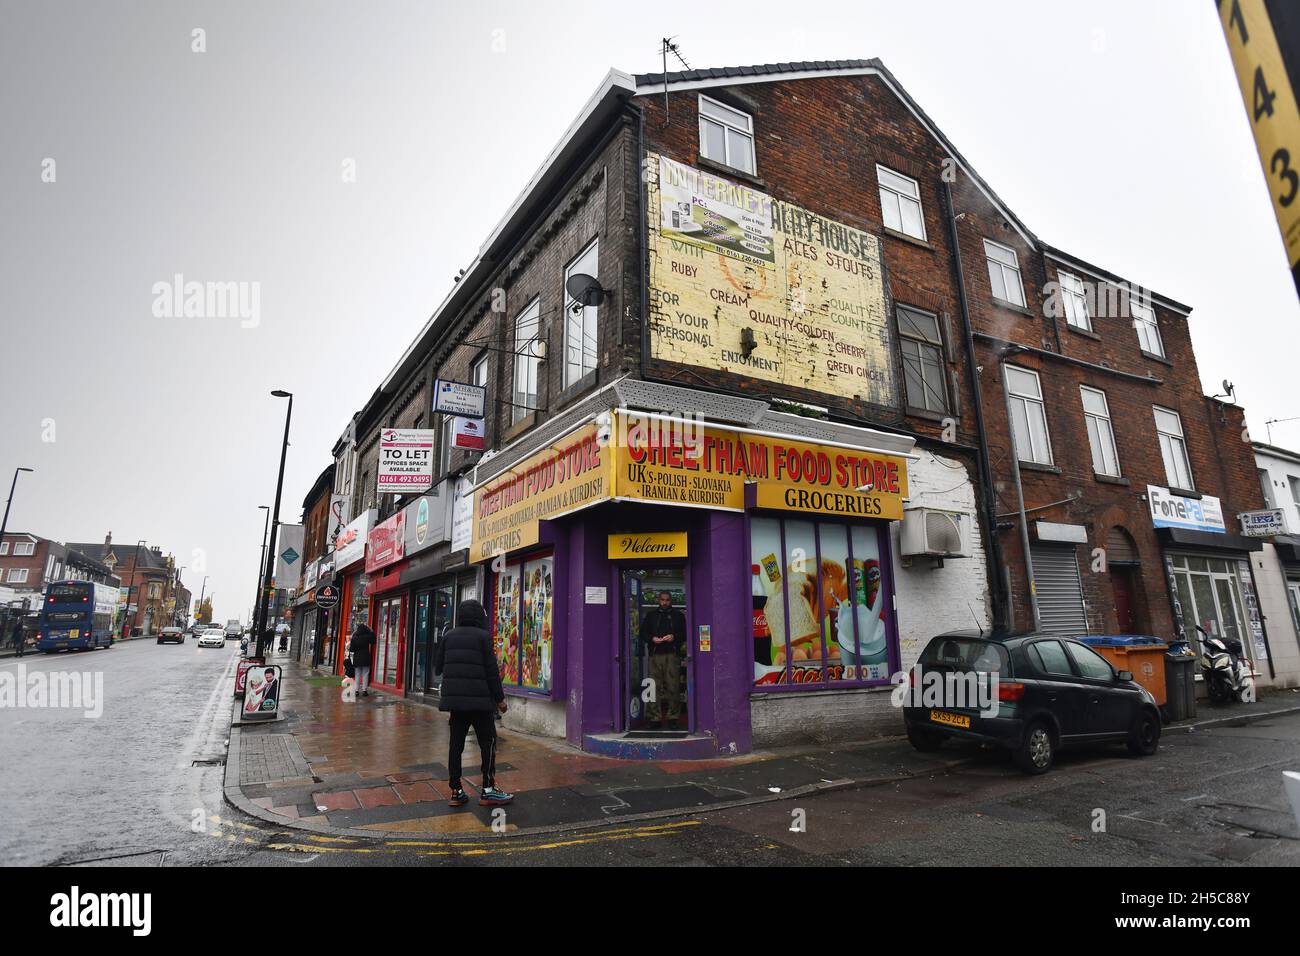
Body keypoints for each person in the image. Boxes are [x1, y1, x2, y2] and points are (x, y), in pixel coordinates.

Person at [434, 600, 513, 807]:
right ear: (479, 616)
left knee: (455, 746)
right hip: (480, 705)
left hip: (456, 705)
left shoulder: (448, 636)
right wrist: (500, 700)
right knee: (488, 744)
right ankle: (488, 789)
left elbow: (437, 667)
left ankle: (456, 791)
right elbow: (491, 672)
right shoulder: (483, 637)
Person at [641, 590, 686, 729]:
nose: (665, 602)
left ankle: (673, 718)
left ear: (670, 600)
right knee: (653, 687)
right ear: (658, 600)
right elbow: (643, 633)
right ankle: (655, 718)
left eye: (667, 600)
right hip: (655, 655)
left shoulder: (678, 616)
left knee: (673, 687)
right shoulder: (651, 615)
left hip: (672, 655)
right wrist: (652, 639)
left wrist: (674, 637)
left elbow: (685, 634)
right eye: (662, 600)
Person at [349, 622, 376, 697]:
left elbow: (351, 649)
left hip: (357, 658)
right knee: (365, 674)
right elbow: (373, 640)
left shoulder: (354, 637)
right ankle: (364, 690)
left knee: (357, 674)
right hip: (366, 657)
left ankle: (356, 690)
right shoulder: (367, 636)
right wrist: (371, 630)